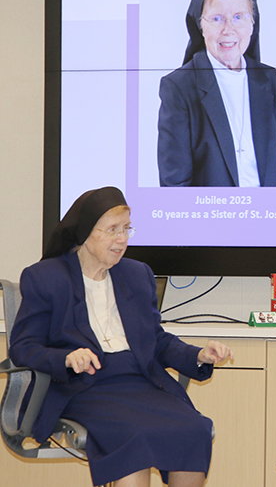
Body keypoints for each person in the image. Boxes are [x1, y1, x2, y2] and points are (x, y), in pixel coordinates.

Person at [10, 187, 234, 487]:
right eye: (113, 230)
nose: (122, 239)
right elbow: (23, 347)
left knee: (194, 428)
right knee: (133, 435)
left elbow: (156, 340)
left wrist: (197, 355)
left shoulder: (137, 274)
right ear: (86, 232)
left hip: (141, 383)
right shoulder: (46, 277)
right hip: (85, 387)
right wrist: (65, 358)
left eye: (127, 229)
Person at [157, 0, 276, 187]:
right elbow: (174, 185)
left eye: (238, 17)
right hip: (208, 220)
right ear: (200, 25)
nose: (228, 29)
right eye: (216, 18)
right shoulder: (179, 88)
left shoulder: (272, 82)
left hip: (268, 218)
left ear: (253, 22)